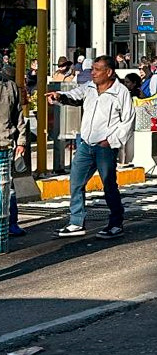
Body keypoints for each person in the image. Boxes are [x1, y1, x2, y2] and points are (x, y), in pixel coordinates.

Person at [46, 56, 135, 239]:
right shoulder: (89, 88)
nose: (92, 73)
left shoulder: (121, 93)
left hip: (105, 147)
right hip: (86, 145)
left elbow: (128, 121)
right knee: (76, 182)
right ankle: (76, 222)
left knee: (109, 185)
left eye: (97, 69)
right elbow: (75, 95)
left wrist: (111, 140)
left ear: (108, 72)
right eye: (92, 69)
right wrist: (60, 97)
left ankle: (116, 223)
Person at [0, 66, 27, 253]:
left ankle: (9, 227)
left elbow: (18, 116)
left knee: (6, 189)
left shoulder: (10, 87)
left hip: (4, 145)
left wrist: (22, 141)